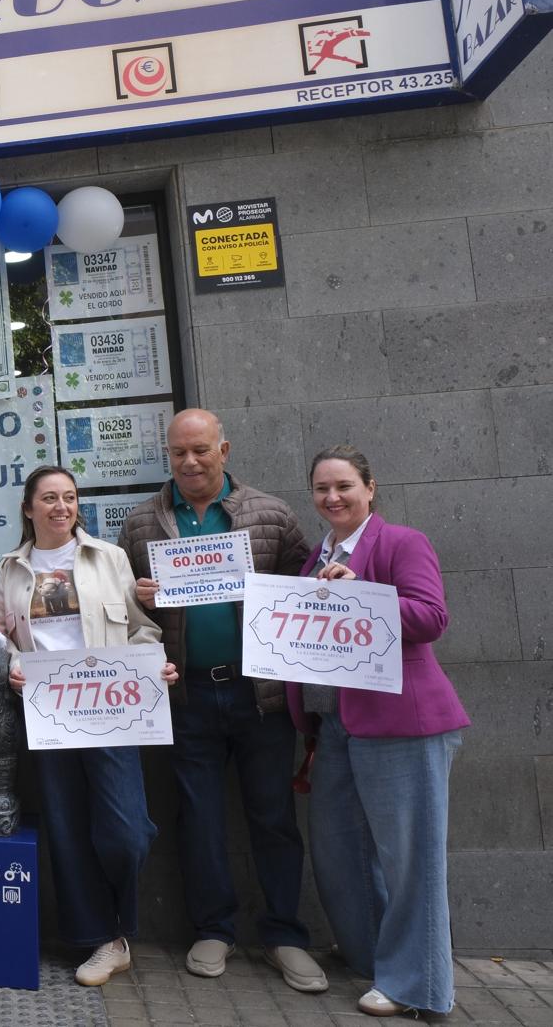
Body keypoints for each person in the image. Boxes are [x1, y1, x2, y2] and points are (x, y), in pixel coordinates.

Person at [117, 408, 326, 992]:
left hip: (258, 695)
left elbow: (306, 592)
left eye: (201, 450)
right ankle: (215, 929)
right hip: (187, 698)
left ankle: (285, 935)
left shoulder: (271, 514)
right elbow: (121, 616)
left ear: (224, 450)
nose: (189, 462)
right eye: (179, 452)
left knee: (274, 819)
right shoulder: (140, 525)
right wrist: (138, 597)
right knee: (200, 822)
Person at [287, 446, 468, 1017]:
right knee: (341, 853)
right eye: (321, 489)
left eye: (343, 486)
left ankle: (418, 986)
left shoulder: (401, 543)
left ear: (370, 487)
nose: (332, 497)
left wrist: (360, 591)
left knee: (410, 861)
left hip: (403, 724)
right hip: (336, 725)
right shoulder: (312, 559)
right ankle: (374, 960)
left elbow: (431, 618)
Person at [0, 466, 178, 987]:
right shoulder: (11, 569)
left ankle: (118, 921)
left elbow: (143, 630)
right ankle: (104, 941)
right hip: (49, 714)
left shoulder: (108, 558)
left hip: (111, 711)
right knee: (68, 830)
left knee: (128, 832)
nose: (60, 507)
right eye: (48, 498)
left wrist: (151, 666)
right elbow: (5, 636)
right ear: (29, 508)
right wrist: (10, 663)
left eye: (69, 498)